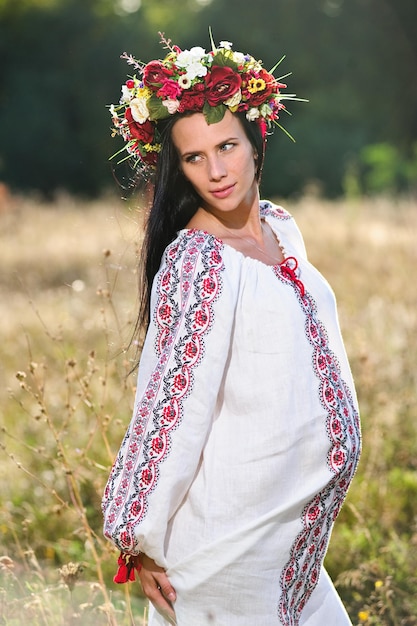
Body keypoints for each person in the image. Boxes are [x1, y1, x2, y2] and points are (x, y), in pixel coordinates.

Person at [102, 34, 361, 626]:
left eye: (227, 146)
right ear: (177, 167)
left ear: (256, 141)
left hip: (290, 553)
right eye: (194, 157)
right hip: (226, 559)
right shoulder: (199, 262)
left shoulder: (277, 229)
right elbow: (170, 405)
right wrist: (137, 535)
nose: (216, 171)